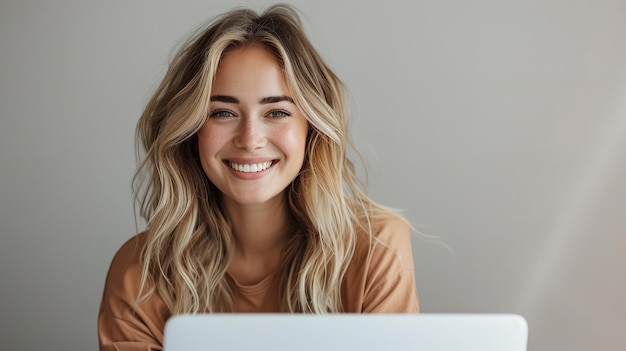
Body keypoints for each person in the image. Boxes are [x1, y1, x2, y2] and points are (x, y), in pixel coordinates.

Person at [98, 4, 418, 350]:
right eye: (222, 112)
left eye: (276, 112)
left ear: (312, 129)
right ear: (191, 131)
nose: (250, 139)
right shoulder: (139, 273)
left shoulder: (376, 247)